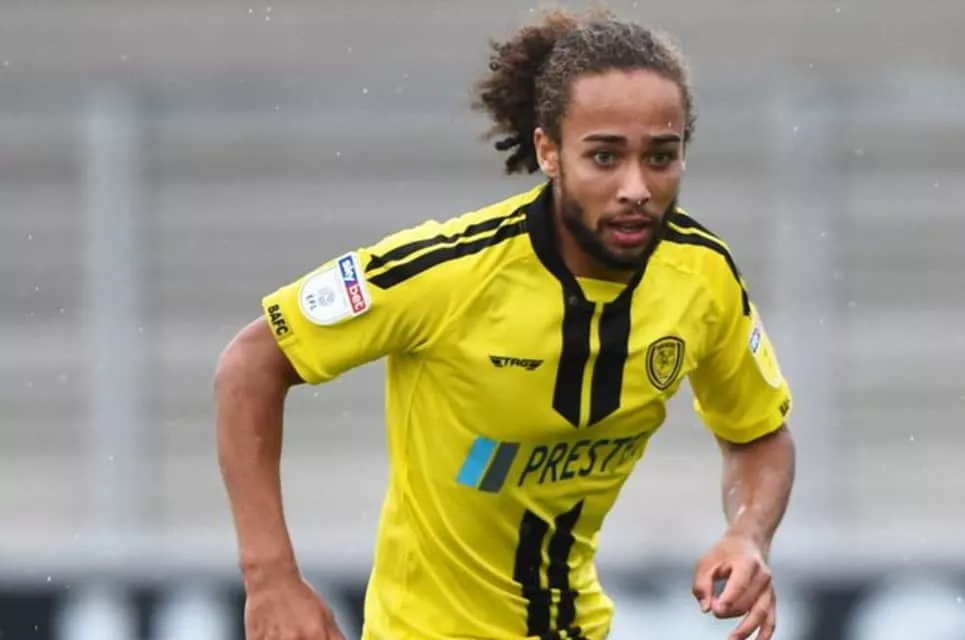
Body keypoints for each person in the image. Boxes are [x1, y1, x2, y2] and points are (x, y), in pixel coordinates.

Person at [214, 7, 796, 640]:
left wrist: (748, 533)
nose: (636, 187)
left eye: (661, 156)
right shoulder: (452, 272)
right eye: (605, 157)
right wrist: (270, 577)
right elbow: (250, 364)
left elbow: (758, 435)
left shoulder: (701, 275)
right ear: (549, 150)